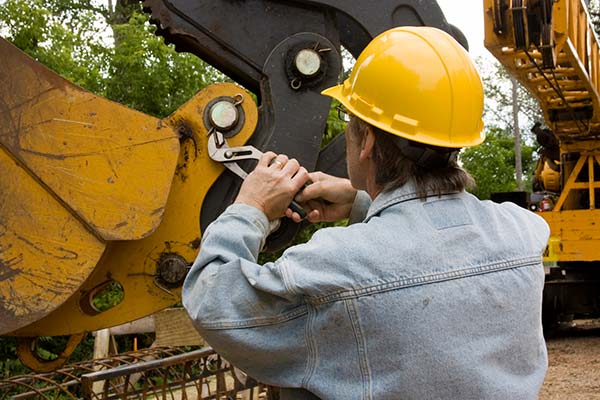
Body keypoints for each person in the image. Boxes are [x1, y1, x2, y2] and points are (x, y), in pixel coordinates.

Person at [183, 26, 550, 399]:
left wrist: (251, 207)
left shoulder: (338, 266)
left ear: (368, 142)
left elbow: (212, 303)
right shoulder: (520, 233)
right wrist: (363, 202)